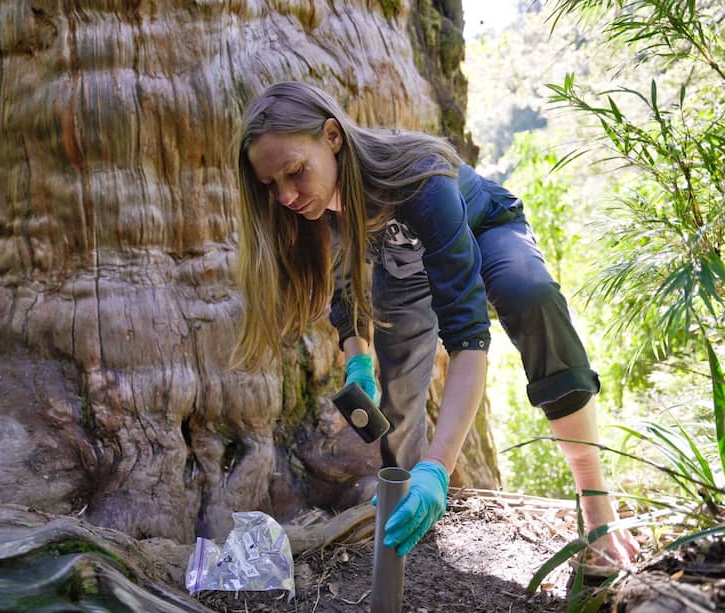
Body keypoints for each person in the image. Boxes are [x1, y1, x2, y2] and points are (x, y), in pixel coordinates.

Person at [229, 80, 638, 568]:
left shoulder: (417, 178)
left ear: (333, 137)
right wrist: (358, 361)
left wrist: (439, 469)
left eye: (295, 172)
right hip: (404, 267)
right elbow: (344, 288)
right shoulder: (311, 206)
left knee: (529, 294)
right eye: (270, 186)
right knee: (397, 395)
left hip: (485, 231)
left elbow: (468, 342)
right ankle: (405, 531)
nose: (286, 195)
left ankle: (596, 509)